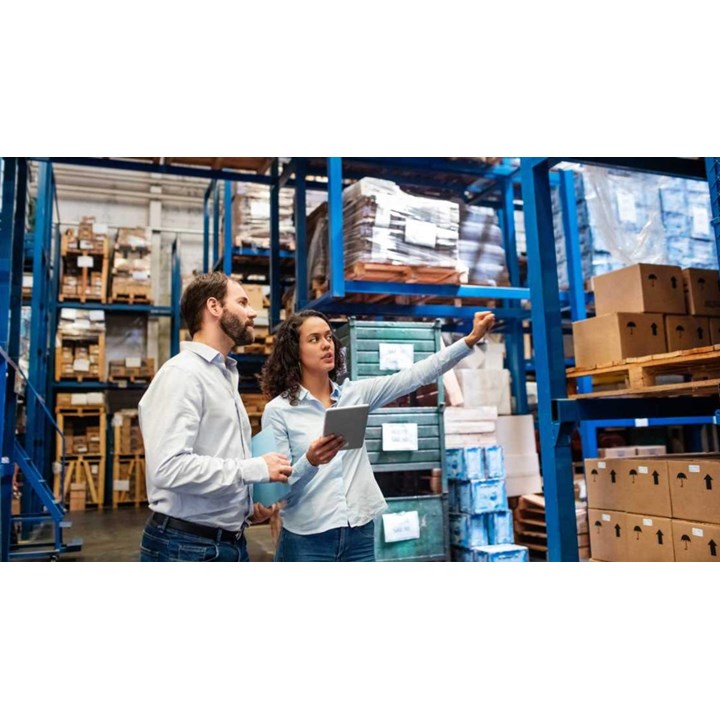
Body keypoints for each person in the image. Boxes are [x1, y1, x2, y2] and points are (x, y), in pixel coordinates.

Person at [260, 308, 495, 562]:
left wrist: (469, 340)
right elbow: (275, 492)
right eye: (314, 339)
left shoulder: (355, 394)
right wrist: (310, 461)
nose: (326, 345)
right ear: (295, 352)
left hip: (359, 533)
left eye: (328, 337)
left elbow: (415, 375)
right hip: (307, 539)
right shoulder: (277, 411)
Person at [138, 272, 292, 562]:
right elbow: (169, 468)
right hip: (186, 547)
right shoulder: (183, 375)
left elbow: (217, 453)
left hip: (226, 541)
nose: (253, 311)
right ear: (214, 307)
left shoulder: (223, 374)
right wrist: (254, 469)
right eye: (243, 302)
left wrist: (247, 505)